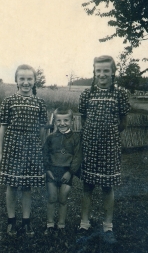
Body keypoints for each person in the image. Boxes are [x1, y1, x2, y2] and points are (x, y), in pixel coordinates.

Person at [78, 55, 130, 243]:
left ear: (113, 72)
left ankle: (107, 226)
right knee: (87, 186)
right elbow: (84, 120)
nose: (102, 74)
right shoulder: (86, 94)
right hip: (90, 147)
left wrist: (109, 135)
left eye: (106, 71)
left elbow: (123, 122)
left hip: (110, 147)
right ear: (94, 72)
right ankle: (84, 222)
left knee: (108, 187)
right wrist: (92, 134)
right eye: (98, 71)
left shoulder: (120, 94)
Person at [0, 64, 47, 237]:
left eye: (29, 79)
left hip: (31, 150)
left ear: (34, 81)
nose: (26, 83)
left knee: (27, 187)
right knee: (11, 185)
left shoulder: (40, 103)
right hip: (12, 148)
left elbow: (42, 130)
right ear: (16, 81)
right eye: (22, 79)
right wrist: (1, 153)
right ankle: (11, 221)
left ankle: (26, 222)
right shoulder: (8, 101)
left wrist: (38, 149)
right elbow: (3, 128)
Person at [43, 107, 82, 235]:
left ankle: (61, 225)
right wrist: (47, 170)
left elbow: (77, 157)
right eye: (59, 121)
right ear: (54, 122)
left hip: (67, 171)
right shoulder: (50, 137)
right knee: (52, 197)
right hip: (52, 171)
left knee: (63, 198)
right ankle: (49, 224)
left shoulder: (76, 138)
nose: (62, 123)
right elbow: (45, 154)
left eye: (66, 120)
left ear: (72, 121)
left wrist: (70, 172)